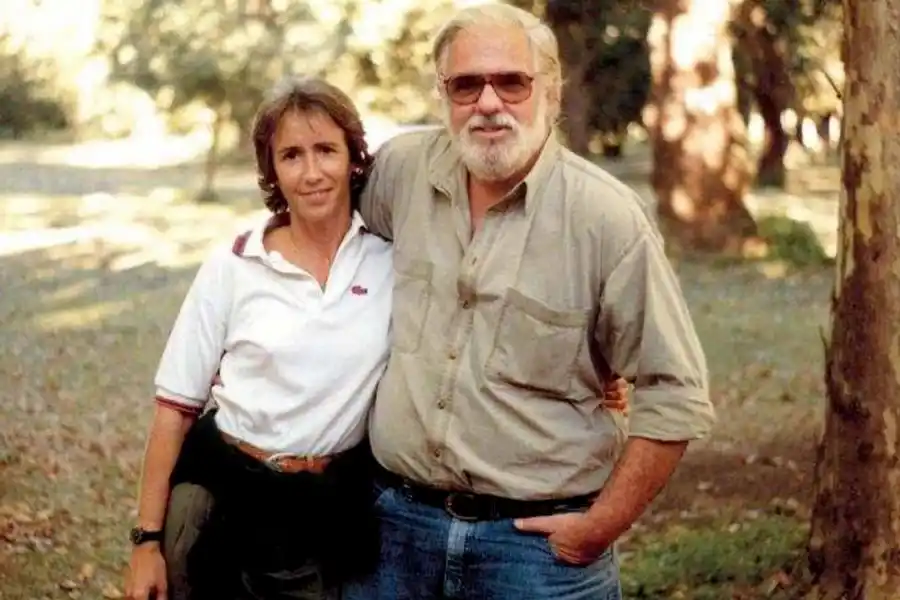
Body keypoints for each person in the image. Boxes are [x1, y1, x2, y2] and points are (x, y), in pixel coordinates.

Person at [123, 76, 631, 600]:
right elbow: (174, 410)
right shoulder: (233, 266)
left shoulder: (393, 260)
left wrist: (597, 372)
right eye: (292, 155)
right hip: (220, 500)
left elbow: (469, 329)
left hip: (331, 509)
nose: (313, 172)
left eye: (326, 150)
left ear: (354, 158)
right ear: (271, 168)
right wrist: (147, 542)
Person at [341, 3, 715, 600]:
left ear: (552, 90)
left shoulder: (605, 220)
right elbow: (316, 228)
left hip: (534, 555)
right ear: (443, 94)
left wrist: (601, 526)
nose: (489, 103)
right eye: (466, 85)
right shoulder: (399, 173)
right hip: (393, 535)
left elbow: (675, 391)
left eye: (512, 81)